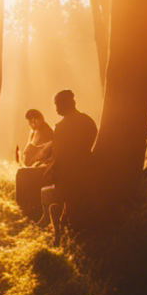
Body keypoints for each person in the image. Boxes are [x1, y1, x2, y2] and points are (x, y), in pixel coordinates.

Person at [38, 90, 97, 243]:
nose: (56, 109)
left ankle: (59, 230)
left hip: (67, 174)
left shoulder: (61, 127)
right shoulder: (88, 121)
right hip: (88, 170)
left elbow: (58, 156)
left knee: (60, 200)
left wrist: (48, 170)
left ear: (65, 104)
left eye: (57, 105)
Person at [14, 108, 55, 219]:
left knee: (23, 176)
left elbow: (48, 152)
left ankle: (30, 210)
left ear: (41, 119)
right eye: (30, 122)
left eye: (34, 121)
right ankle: (22, 209)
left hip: (43, 166)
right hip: (31, 165)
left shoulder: (48, 132)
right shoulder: (33, 133)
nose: (32, 124)